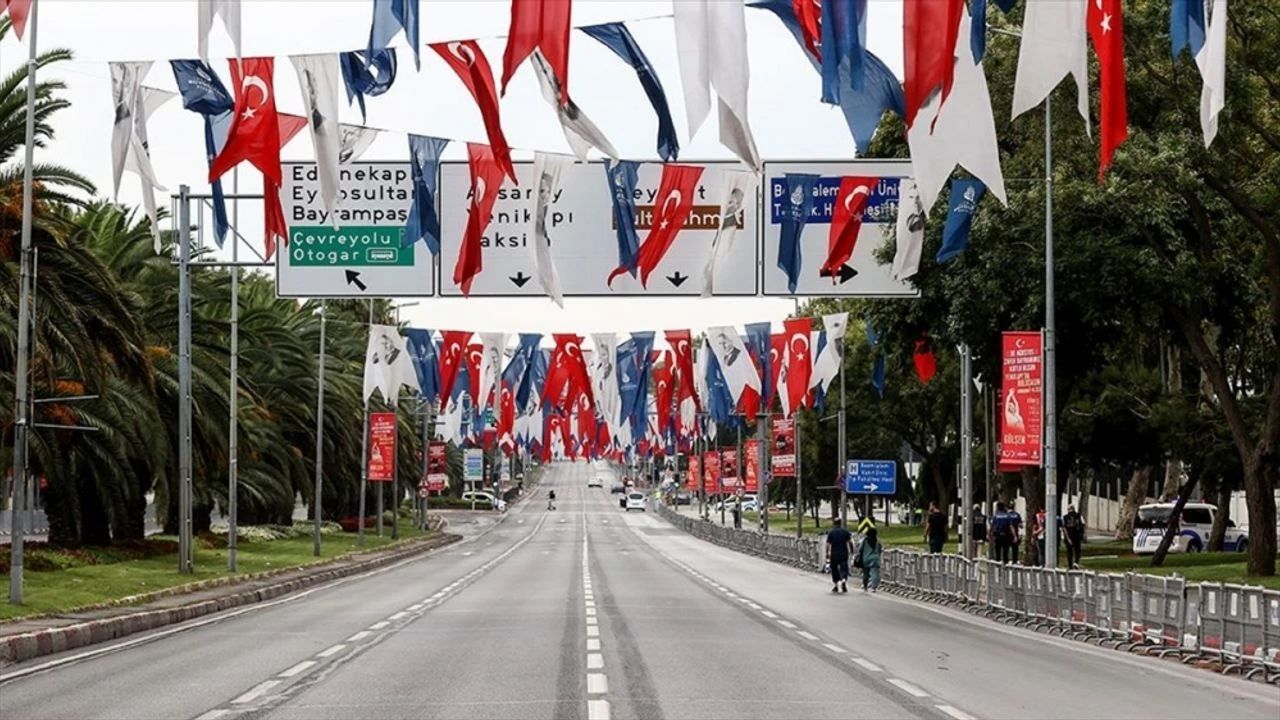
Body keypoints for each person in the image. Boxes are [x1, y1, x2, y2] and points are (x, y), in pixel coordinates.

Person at [826, 518, 854, 593]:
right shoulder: (845, 532)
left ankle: (836, 585)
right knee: (844, 568)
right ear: (840, 523)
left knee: (834, 569)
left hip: (834, 554)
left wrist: (827, 553)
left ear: (834, 523)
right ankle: (843, 580)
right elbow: (850, 542)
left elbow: (828, 544)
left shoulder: (831, 532)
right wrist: (852, 551)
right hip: (843, 553)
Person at [858, 527, 883, 592]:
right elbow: (880, 549)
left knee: (865, 573)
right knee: (875, 573)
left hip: (866, 558)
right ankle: (874, 587)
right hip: (875, 559)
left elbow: (860, 549)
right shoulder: (877, 541)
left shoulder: (865, 540)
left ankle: (865, 586)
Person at [1063, 504, 1085, 569]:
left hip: (1069, 536)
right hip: (1077, 536)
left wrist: (1067, 538)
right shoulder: (1079, 515)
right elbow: (1083, 524)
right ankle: (1076, 562)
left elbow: (1064, 527)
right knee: (1077, 550)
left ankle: (1070, 566)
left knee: (1069, 551)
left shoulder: (1065, 517)